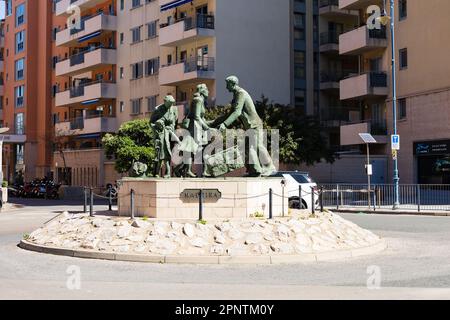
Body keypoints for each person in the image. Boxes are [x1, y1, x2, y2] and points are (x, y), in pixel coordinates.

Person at [217, 76, 276, 177]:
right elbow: (229, 114)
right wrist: (212, 123)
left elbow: (237, 112)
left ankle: (270, 167)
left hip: (255, 125)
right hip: (249, 127)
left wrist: (224, 124)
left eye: (227, 84)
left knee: (257, 146)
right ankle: (255, 170)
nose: (226, 87)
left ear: (233, 84)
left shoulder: (241, 93)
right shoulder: (235, 96)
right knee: (247, 149)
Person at [177, 84, 212, 177]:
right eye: (206, 89)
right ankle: (186, 170)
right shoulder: (198, 100)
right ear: (202, 91)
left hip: (197, 128)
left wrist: (211, 123)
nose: (208, 91)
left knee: (192, 150)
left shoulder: (200, 100)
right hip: (193, 128)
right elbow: (196, 116)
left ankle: (180, 169)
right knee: (189, 150)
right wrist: (206, 127)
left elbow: (201, 118)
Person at [150, 95, 178, 178]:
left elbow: (174, 123)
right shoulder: (158, 109)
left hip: (169, 134)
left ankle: (167, 172)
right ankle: (156, 172)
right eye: (169, 103)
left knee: (168, 153)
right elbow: (151, 123)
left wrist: (171, 128)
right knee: (160, 153)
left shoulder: (174, 109)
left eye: (172, 104)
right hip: (160, 134)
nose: (170, 105)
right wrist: (157, 125)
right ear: (164, 102)